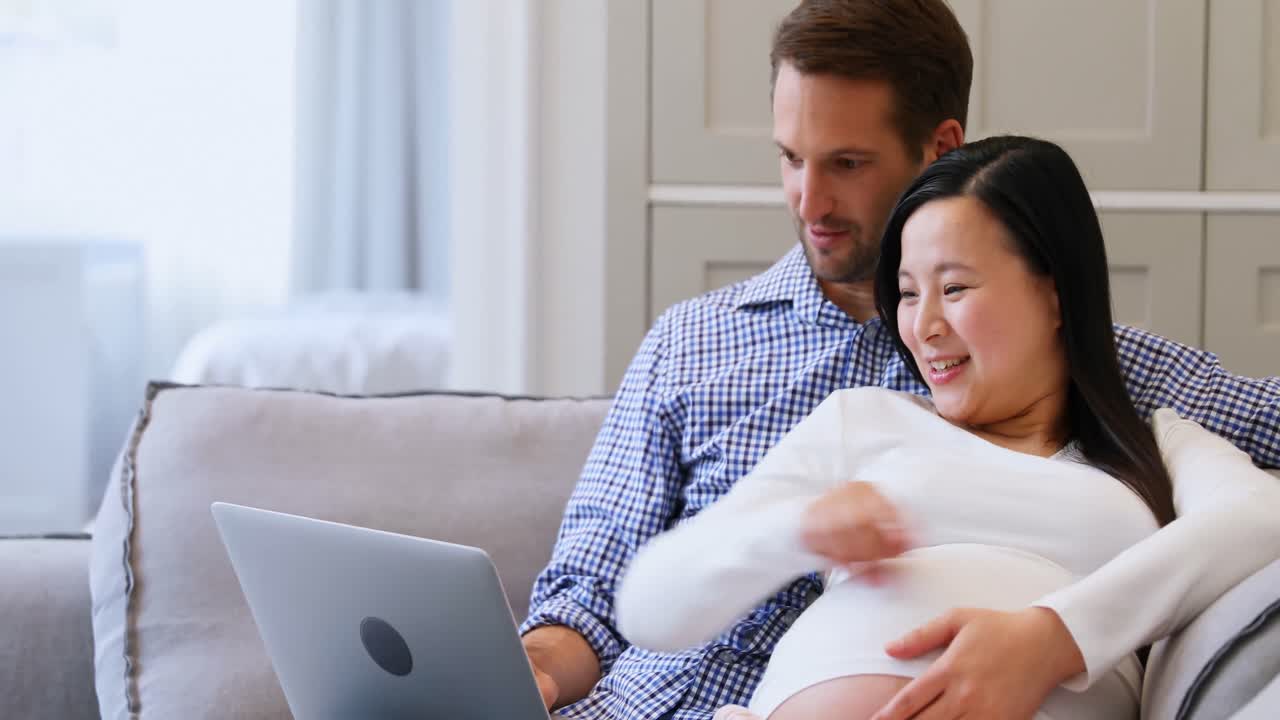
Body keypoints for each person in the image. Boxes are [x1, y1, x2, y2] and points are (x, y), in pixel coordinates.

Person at [517, 2, 1280, 717]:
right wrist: (797, 531)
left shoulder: (1147, 406)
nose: (807, 202)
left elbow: (1257, 511)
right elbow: (612, 594)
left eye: (846, 163)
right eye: (790, 158)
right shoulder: (733, 362)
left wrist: (1060, 634)